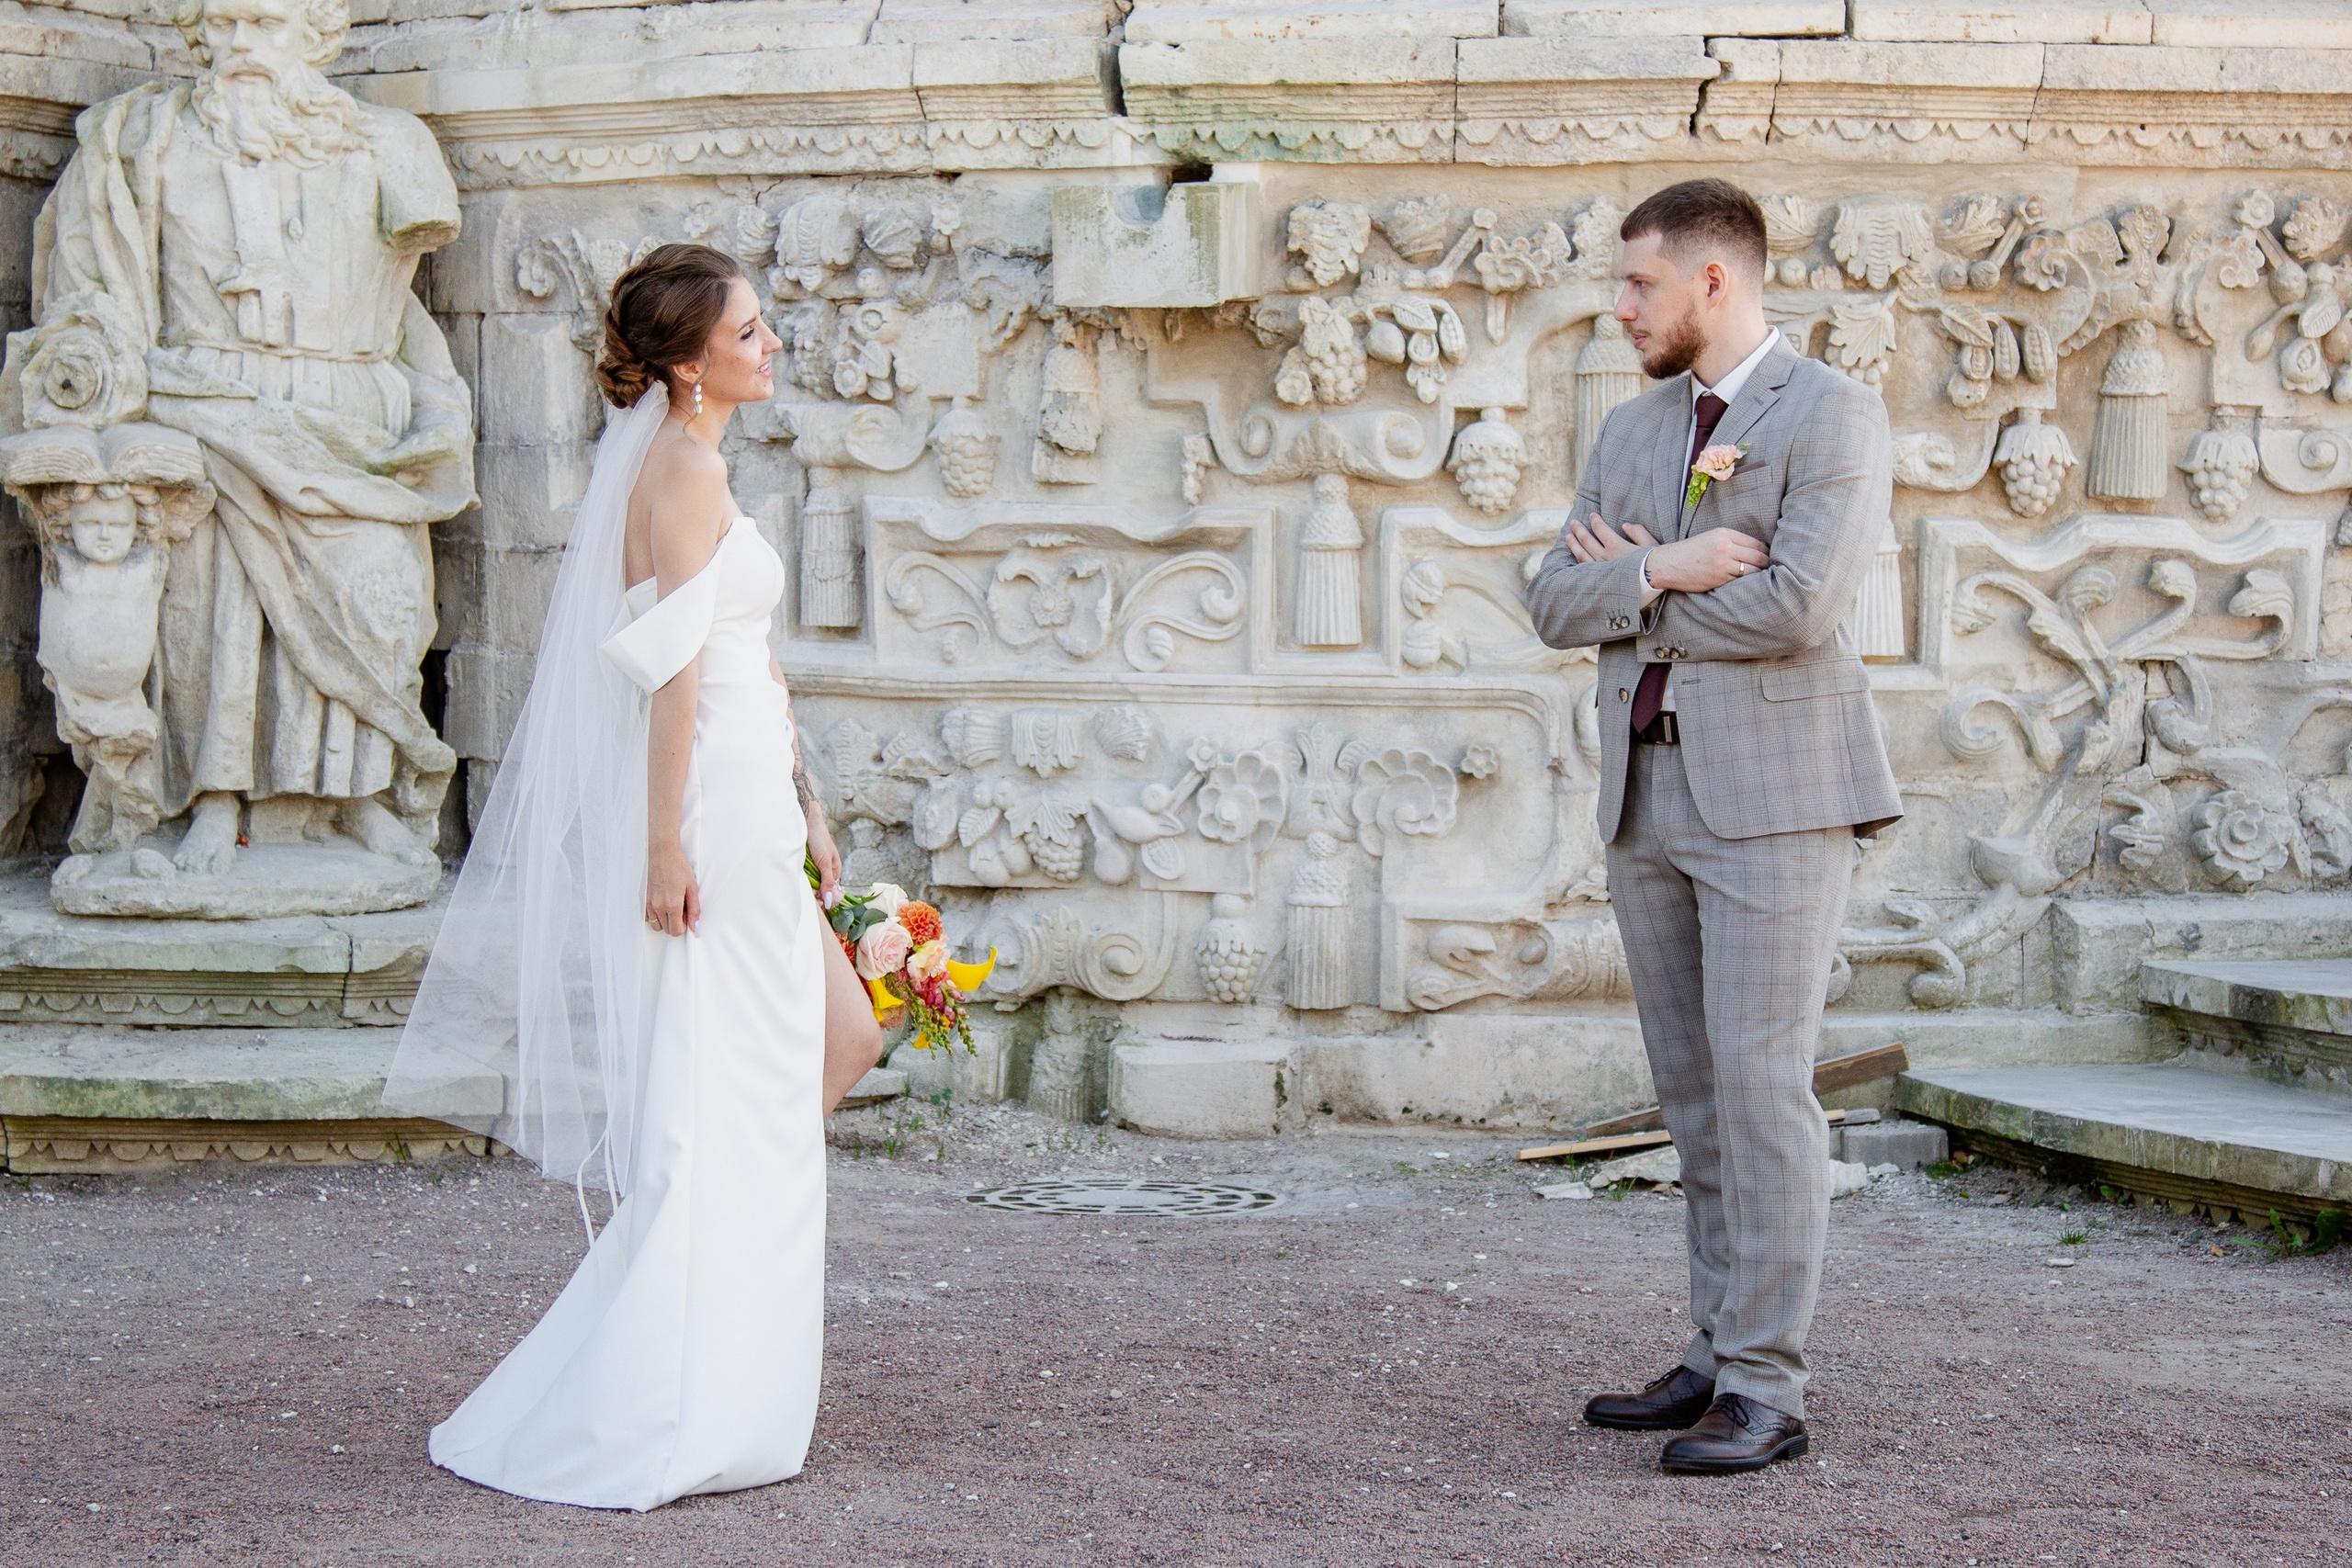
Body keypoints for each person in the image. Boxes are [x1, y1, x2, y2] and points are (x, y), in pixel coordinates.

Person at [384, 243, 886, 1510]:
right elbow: (668, 679)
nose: (772, 347)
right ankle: (675, 1360)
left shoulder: (699, 461)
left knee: (837, 1046)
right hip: (708, 810)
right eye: (753, 333)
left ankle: (714, 1290)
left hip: (754, 798)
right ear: (688, 362)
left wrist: (810, 806)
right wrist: (666, 847)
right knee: (782, 1064)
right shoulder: (684, 469)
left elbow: (745, 662)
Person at [1524, 179, 1901, 1475]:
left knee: (1761, 1086)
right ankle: (1712, 1351)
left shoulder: (1837, 413)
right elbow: (1550, 601)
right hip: (1648, 791)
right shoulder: (1631, 428)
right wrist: (1668, 570)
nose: (1620, 306)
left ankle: (1769, 1387)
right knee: (1691, 1095)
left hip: (1781, 799)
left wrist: (1625, 590)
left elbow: (1799, 607)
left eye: (1638, 284)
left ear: (1714, 280)